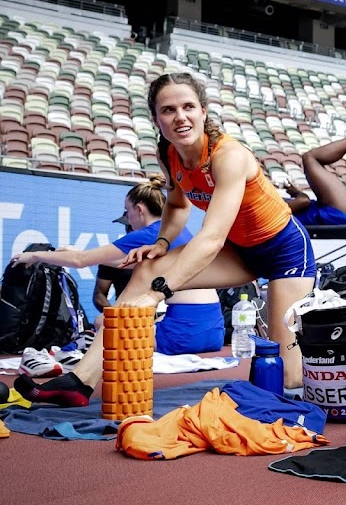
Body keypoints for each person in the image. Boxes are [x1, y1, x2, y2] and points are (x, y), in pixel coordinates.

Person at [15, 73, 316, 407]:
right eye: (168, 110)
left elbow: (212, 237)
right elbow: (176, 204)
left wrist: (159, 293)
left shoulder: (228, 156)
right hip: (241, 251)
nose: (180, 116)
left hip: (285, 252)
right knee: (146, 268)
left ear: (203, 112)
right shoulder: (170, 155)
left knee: (287, 373)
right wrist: (160, 244)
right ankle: (80, 381)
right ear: (157, 119)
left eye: (188, 106)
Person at [9, 175, 225, 364]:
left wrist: (34, 256)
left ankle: (80, 354)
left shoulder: (150, 234)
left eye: (127, 211)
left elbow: (81, 259)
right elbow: (125, 262)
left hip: (182, 334)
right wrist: (70, 251)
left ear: (139, 209)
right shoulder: (177, 232)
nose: (127, 217)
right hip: (214, 330)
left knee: (102, 322)